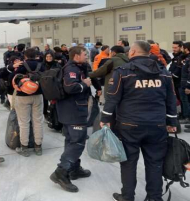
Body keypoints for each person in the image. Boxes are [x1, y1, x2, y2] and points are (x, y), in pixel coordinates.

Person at [100, 41, 177, 201]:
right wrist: (172, 122)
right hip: (157, 125)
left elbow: (112, 98)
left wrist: (105, 119)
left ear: (133, 52)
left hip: (129, 126)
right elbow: (171, 99)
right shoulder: (163, 72)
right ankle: (154, 198)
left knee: (128, 163)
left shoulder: (122, 72)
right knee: (155, 163)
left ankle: (127, 197)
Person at [50, 46, 93, 193]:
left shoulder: (77, 67)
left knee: (71, 141)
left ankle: (74, 168)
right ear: (76, 56)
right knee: (77, 143)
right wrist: (84, 84)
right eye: (84, 54)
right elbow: (70, 88)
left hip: (70, 111)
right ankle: (61, 173)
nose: (86, 56)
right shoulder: (71, 69)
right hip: (74, 111)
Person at [10, 48, 45, 157]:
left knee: (24, 122)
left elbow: (12, 78)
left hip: (23, 96)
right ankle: (38, 146)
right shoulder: (41, 66)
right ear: (36, 56)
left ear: (25, 56)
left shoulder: (21, 65)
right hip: (38, 95)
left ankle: (24, 147)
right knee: (38, 121)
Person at [89, 46, 129, 129]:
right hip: (126, 91)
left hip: (112, 89)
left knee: (111, 111)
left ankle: (113, 130)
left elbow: (100, 71)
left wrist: (88, 74)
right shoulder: (129, 60)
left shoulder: (113, 60)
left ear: (114, 52)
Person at [169, 41, 185, 117]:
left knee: (183, 99)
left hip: (180, 81)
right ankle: (182, 113)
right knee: (180, 98)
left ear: (181, 47)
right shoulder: (175, 57)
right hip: (175, 81)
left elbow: (180, 69)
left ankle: (185, 115)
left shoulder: (182, 57)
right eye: (173, 47)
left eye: (175, 47)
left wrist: (173, 75)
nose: (174, 49)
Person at [180, 42, 190, 125]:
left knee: (187, 101)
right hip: (184, 83)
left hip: (187, 84)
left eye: (183, 48)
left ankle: (187, 118)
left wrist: (188, 86)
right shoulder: (186, 58)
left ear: (186, 49)